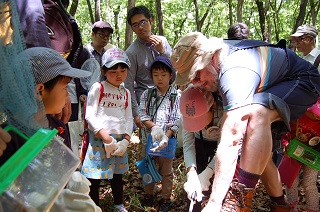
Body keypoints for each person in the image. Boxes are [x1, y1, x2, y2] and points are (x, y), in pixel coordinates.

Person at [170, 32, 320, 211]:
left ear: (210, 58)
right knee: (256, 150)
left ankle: (238, 199)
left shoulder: (235, 71)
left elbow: (232, 138)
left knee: (257, 113)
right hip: (269, 87)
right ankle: (281, 205)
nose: (195, 83)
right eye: (190, 79)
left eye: (196, 75)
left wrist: (215, 203)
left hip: (301, 81)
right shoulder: (218, 64)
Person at [0, 46, 101, 211]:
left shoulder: (58, 125)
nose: (68, 96)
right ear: (39, 91)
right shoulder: (8, 138)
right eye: (64, 88)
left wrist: (72, 180)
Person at [81, 48, 133, 212]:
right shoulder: (98, 88)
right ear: (103, 71)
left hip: (119, 140)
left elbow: (129, 117)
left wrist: (125, 140)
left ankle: (118, 205)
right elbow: (90, 116)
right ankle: (94, 207)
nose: (119, 75)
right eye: (113, 71)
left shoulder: (126, 92)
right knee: (94, 177)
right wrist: (107, 139)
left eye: (123, 70)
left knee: (117, 176)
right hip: (100, 138)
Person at [138, 56, 180, 212]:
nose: (159, 78)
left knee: (166, 170)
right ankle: (148, 194)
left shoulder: (176, 96)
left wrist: (165, 136)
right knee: (148, 166)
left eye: (163, 75)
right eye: (156, 75)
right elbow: (143, 115)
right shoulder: (147, 94)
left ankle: (165, 197)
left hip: (167, 140)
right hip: (148, 139)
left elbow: (176, 119)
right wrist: (154, 127)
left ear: (170, 75)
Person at [124, 5, 172, 130]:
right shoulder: (131, 52)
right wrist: (136, 113)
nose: (140, 27)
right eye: (135, 25)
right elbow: (128, 85)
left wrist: (163, 52)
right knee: (148, 142)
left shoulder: (163, 42)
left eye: (143, 22)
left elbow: (175, 73)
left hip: (168, 99)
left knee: (170, 139)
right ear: (132, 28)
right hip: (146, 103)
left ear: (151, 20)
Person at [181, 85, 223, 212]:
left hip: (221, 144)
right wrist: (191, 173)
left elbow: (226, 147)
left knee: (221, 181)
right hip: (199, 142)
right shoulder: (186, 103)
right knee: (196, 183)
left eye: (200, 120)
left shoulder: (226, 111)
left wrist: (208, 173)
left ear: (213, 106)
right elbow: (188, 143)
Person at [281, 98, 320, 211]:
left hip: (314, 155)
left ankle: (313, 208)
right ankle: (292, 206)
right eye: (314, 114)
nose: (317, 117)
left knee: (309, 183)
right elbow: (286, 132)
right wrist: (285, 144)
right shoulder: (297, 117)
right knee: (291, 181)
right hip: (293, 152)